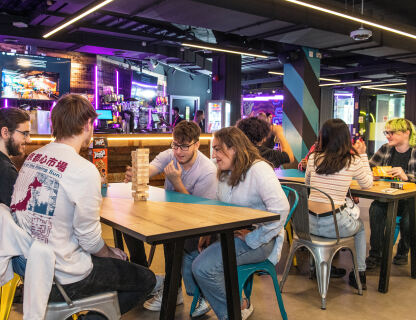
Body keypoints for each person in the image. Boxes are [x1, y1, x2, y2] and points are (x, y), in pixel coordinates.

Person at [10, 94, 155, 319]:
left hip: (27, 266)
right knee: (145, 279)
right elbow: (88, 239)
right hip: (62, 276)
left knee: (114, 264)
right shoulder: (84, 170)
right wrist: (111, 255)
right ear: (88, 124)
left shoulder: (33, 157)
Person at [191, 126, 289, 320]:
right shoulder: (225, 171)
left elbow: (281, 209)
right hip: (232, 234)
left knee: (202, 267)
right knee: (189, 252)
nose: (214, 154)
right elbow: (221, 207)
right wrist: (208, 233)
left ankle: (233, 311)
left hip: (261, 240)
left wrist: (253, 237)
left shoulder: (259, 169)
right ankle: (237, 303)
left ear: (234, 148)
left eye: (218, 149)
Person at [123, 120, 218, 314]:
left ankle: (172, 292)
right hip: (170, 218)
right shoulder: (170, 154)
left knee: (171, 237)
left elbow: (202, 211)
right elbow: (152, 168)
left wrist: (176, 181)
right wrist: (138, 173)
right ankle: (146, 281)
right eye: (175, 145)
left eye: (185, 146)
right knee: (129, 225)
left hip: (198, 226)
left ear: (197, 145)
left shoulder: (207, 171)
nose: (179, 151)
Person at [305, 119, 372, 289]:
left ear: (323, 137)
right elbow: (367, 184)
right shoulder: (352, 161)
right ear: (345, 138)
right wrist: (363, 155)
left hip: (308, 225)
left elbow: (307, 184)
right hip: (334, 225)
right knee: (360, 227)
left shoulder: (313, 158)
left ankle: (319, 266)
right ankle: (359, 274)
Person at [366, 118, 416, 268]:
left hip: (410, 200)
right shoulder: (385, 149)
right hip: (387, 197)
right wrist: (372, 174)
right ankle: (376, 255)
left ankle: (402, 251)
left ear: (407, 132)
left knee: (408, 220)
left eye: (392, 132)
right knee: (375, 209)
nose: (388, 136)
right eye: (386, 132)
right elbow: (368, 169)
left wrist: (407, 176)